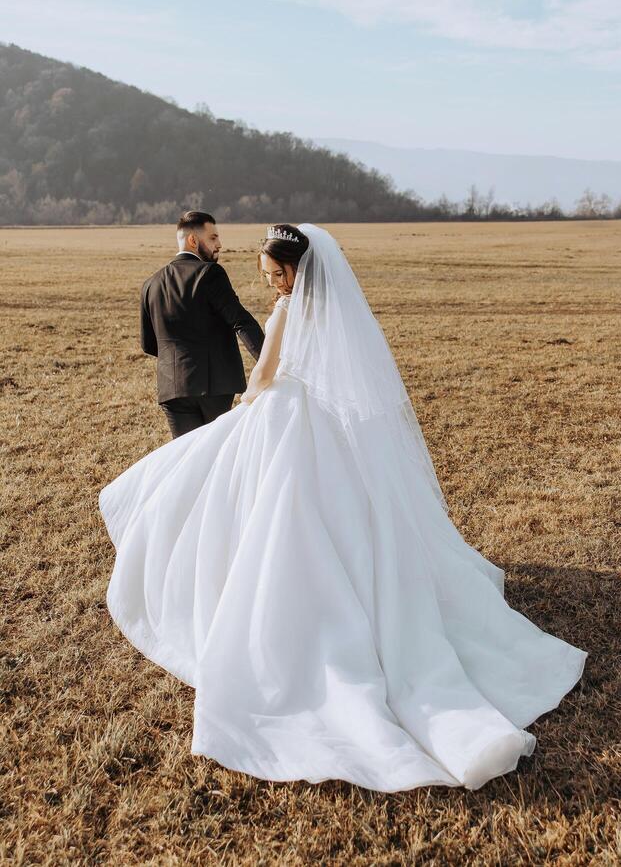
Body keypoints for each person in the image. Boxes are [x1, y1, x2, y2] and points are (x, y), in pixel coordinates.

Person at [100, 223, 587, 792]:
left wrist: (253, 402)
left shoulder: (287, 310)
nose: (271, 287)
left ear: (293, 273)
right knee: (342, 521)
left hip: (284, 420)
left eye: (275, 276)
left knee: (268, 512)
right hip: (330, 424)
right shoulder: (337, 314)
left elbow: (263, 377)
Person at [140, 210, 265, 438]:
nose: (219, 244)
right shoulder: (210, 273)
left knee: (186, 458)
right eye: (213, 238)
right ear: (193, 240)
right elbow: (241, 321)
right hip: (214, 384)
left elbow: (149, 344)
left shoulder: (151, 284)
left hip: (172, 388)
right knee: (214, 456)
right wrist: (269, 363)